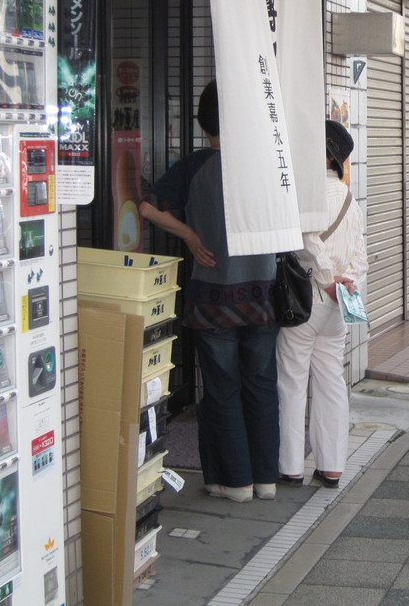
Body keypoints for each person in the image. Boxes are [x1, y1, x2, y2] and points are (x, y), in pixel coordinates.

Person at [139, 80, 279, 502]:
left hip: (213, 296)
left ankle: (234, 482)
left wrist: (189, 235)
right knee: (261, 384)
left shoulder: (193, 166)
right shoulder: (268, 165)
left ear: (203, 120)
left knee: (221, 388)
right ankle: (266, 479)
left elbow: (145, 207)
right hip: (264, 293)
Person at [276, 120, 367, 490]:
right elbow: (360, 252)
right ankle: (331, 466)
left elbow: (307, 244)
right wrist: (346, 283)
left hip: (306, 300)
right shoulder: (349, 199)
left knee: (293, 381)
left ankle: (291, 466)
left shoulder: (307, 196)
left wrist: (327, 281)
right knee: (331, 382)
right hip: (338, 305)